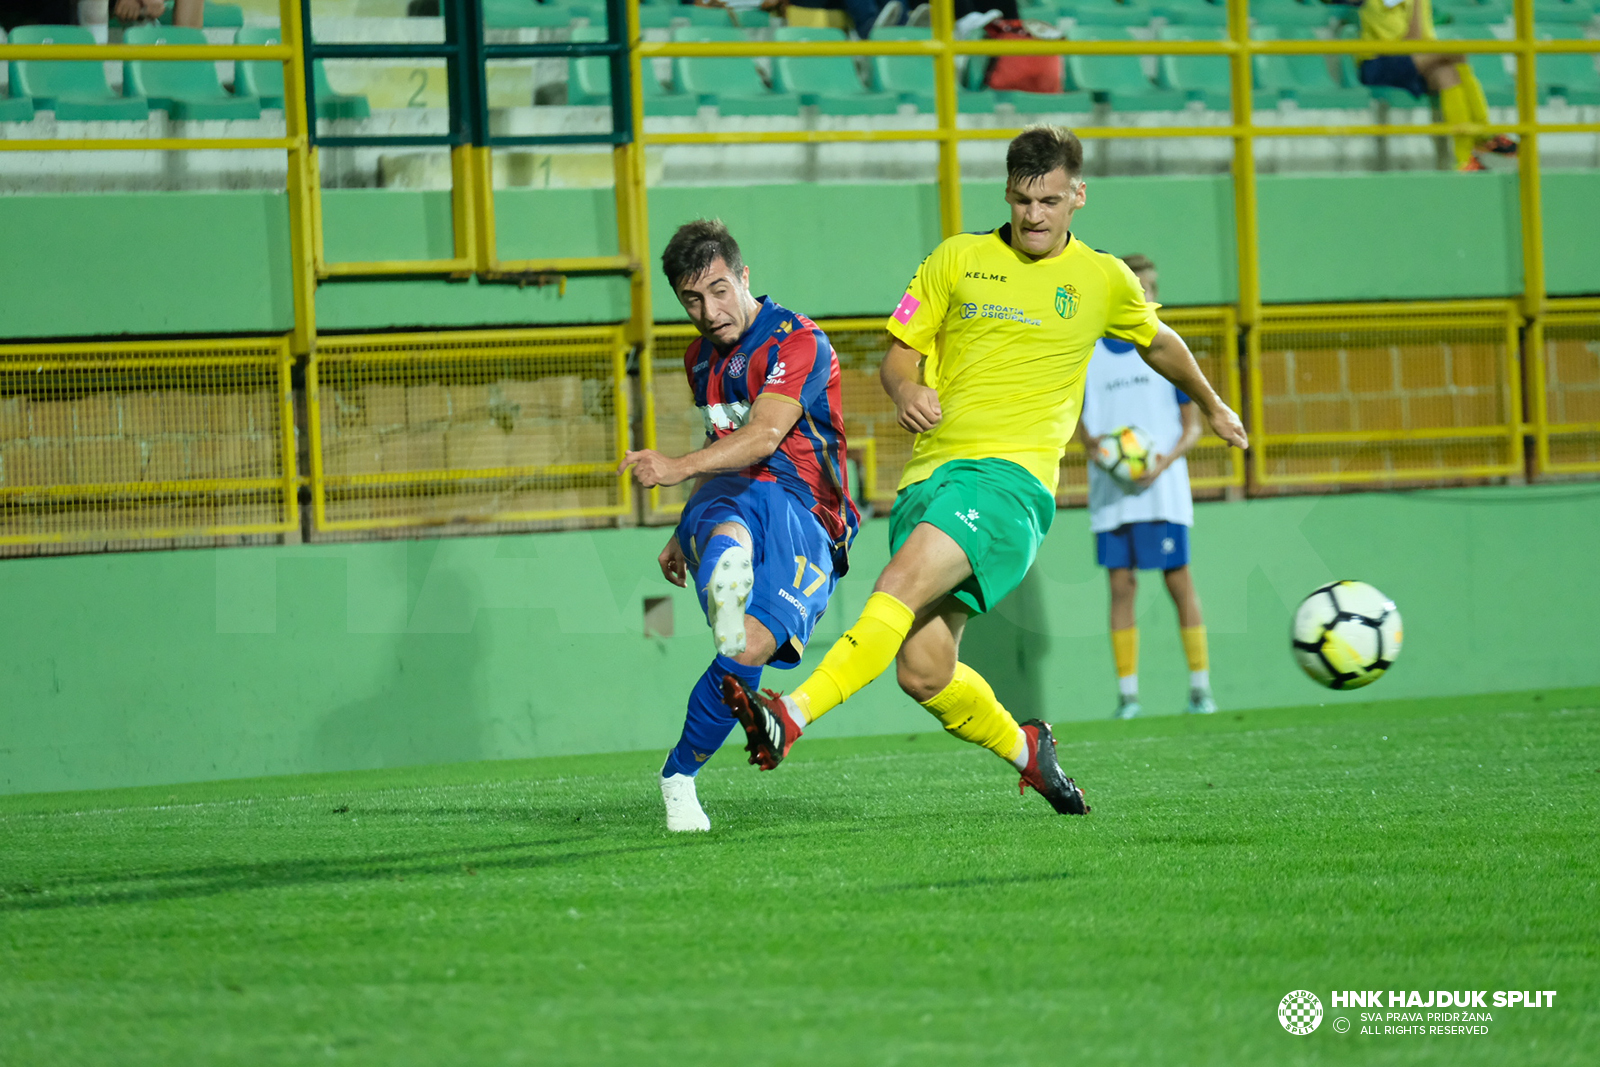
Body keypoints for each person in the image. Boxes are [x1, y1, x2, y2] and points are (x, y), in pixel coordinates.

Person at [719, 126, 1248, 815]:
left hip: (1009, 486)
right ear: (1007, 193)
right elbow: (899, 355)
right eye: (1024, 199)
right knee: (922, 668)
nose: (1035, 214)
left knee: (897, 584)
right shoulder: (956, 260)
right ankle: (1031, 752)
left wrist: (1210, 403)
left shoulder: (1102, 278)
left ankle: (788, 715)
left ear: (1078, 196)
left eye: (1051, 200)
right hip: (931, 478)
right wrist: (906, 390)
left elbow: (1161, 340)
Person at [620, 219, 859, 833]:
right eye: (692, 299)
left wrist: (674, 469)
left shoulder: (797, 340)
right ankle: (726, 564)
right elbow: (721, 438)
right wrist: (682, 526)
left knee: (746, 646)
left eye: (720, 289)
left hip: (805, 506)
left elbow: (762, 436)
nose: (709, 310)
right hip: (731, 492)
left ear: (744, 275)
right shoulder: (699, 356)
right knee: (726, 533)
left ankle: (678, 771)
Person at [1073, 253, 1216, 721]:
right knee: (1121, 586)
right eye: (1139, 288)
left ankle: (1200, 689)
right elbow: (1078, 420)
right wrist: (1094, 447)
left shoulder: (1167, 347)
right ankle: (1128, 697)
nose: (1147, 295)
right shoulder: (1088, 353)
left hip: (1162, 488)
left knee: (1179, 581)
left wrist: (1163, 463)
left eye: (1152, 287)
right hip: (1113, 492)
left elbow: (1191, 426)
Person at [1352, 0, 1516, 172]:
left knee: (1447, 73)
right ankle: (1484, 133)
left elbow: (1422, 39)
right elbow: (1406, 43)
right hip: (1378, 64)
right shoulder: (1375, 3)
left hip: (1411, 62)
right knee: (1456, 52)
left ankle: (1463, 158)